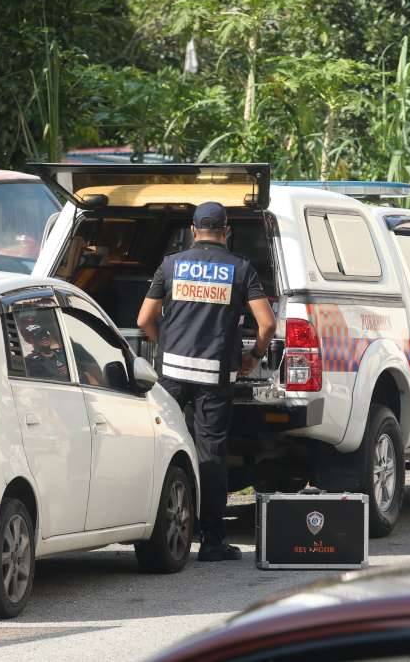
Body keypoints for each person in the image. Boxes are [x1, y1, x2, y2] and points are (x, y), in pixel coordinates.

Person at [137, 201, 276, 562]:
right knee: (210, 455)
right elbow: (268, 323)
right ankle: (212, 541)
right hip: (215, 375)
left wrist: (161, 343)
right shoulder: (240, 269)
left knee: (161, 446)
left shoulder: (171, 265)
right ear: (226, 231)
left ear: (194, 230)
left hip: (173, 374)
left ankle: (154, 531)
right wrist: (255, 356)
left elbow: (143, 319)